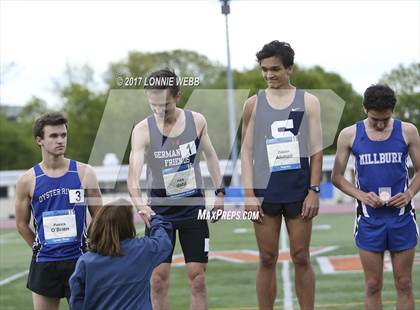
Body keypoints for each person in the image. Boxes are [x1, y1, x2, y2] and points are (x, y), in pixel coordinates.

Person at [127, 69, 225, 310]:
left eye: (165, 105)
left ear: (178, 96)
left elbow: (211, 156)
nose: (160, 111)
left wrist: (220, 194)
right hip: (160, 214)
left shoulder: (196, 121)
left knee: (198, 279)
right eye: (154, 106)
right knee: (158, 281)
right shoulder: (142, 130)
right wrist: (141, 207)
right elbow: (133, 176)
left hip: (193, 210)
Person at [241, 40, 323, 309]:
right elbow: (246, 152)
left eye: (275, 69)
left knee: (301, 256)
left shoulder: (308, 102)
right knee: (266, 257)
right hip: (265, 192)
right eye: (264, 69)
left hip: (299, 191)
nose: (269, 75)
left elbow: (316, 152)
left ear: (290, 68)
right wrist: (249, 195)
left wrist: (314, 191)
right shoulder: (253, 104)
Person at [332, 84, 419, 309]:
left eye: (386, 119)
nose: (380, 125)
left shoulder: (407, 131)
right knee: (372, 284)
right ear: (364, 109)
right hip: (369, 219)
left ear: (393, 111)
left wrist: (409, 193)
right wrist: (362, 195)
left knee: (404, 283)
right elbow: (337, 177)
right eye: (374, 120)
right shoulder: (349, 134)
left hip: (402, 218)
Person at [14, 112, 102, 310]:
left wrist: (93, 246)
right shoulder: (27, 180)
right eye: (53, 136)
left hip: (80, 260)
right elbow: (21, 224)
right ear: (40, 140)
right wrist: (39, 248)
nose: (60, 140)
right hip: (45, 263)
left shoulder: (84, 173)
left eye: (63, 135)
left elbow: (99, 216)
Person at [69, 198, 172, 309]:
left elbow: (76, 300)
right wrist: (153, 219)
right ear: (127, 224)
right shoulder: (143, 250)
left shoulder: (86, 262)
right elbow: (164, 242)